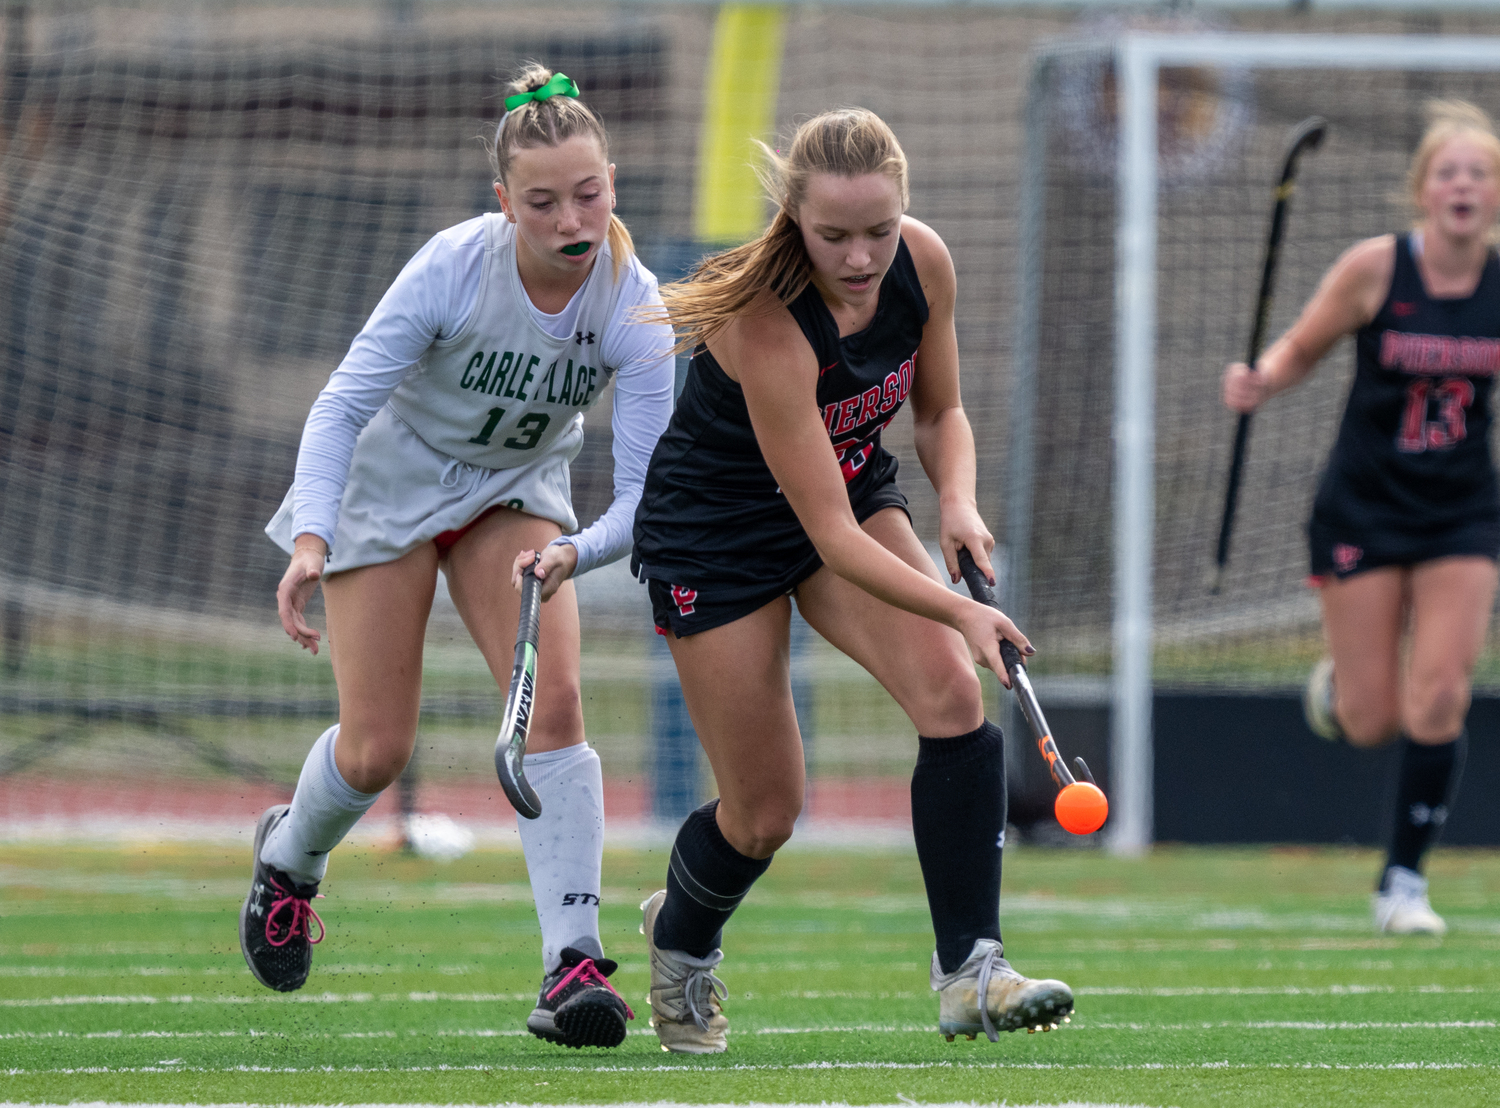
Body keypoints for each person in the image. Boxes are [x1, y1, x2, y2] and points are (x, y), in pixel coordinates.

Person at [626, 108, 1073, 1054]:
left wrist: (959, 502)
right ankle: (681, 940)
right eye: (834, 236)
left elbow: (942, 409)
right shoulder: (765, 320)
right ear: (793, 217)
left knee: (953, 693)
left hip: (848, 482)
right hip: (720, 534)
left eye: (878, 230)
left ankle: (971, 972)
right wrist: (961, 608)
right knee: (764, 813)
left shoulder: (924, 264)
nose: (862, 256)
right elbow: (827, 536)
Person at [244, 65, 673, 1049]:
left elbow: (644, 494)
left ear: (613, 180)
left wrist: (575, 550)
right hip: (387, 494)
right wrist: (311, 537)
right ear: (504, 205)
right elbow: (341, 406)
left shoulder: (634, 307)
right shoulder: (454, 266)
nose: (571, 217)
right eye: (543, 201)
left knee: (554, 700)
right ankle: (290, 859)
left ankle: (573, 963)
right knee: (375, 747)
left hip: (511, 497)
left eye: (589, 193)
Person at [1223, 100, 1500, 936]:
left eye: (1480, 174)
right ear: (1422, 189)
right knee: (1374, 718)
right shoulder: (1376, 269)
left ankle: (1402, 886)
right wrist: (1262, 378)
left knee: (1442, 694)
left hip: (1461, 513)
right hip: (1364, 507)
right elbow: (1301, 346)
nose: (1464, 185)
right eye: (1448, 172)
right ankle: (1337, 690)